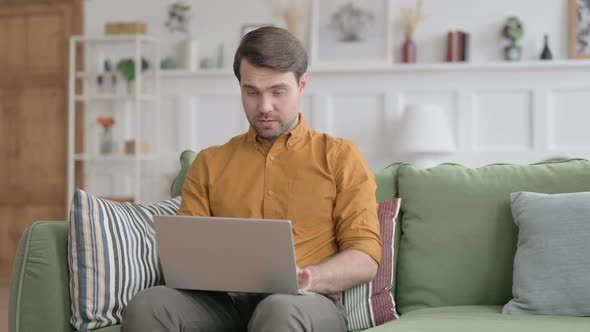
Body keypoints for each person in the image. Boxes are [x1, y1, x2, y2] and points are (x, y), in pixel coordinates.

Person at [122, 27, 381, 332]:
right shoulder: (210, 163)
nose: (265, 107)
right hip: (223, 305)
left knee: (279, 310)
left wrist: (309, 277)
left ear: (302, 84)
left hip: (306, 302)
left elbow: (365, 257)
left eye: (278, 91)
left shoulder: (339, 156)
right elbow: (186, 256)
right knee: (150, 305)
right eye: (252, 92)